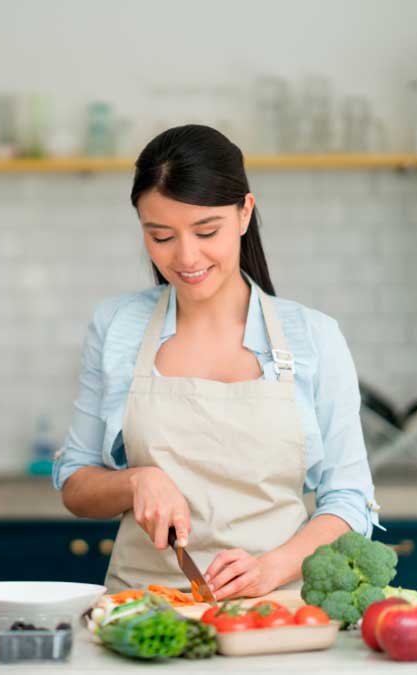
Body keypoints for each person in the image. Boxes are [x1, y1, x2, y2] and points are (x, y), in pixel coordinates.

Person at [53, 124, 379, 598]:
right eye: (160, 235)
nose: (186, 257)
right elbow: (75, 484)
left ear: (244, 213)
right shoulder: (117, 325)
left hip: (275, 614)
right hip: (145, 616)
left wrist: (272, 568)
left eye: (207, 231)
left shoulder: (314, 337)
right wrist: (135, 481)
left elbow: (350, 501)